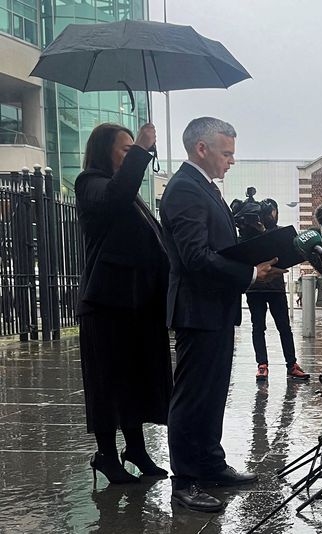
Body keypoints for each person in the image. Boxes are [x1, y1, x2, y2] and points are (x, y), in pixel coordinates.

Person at [160, 117, 286, 512]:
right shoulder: (184, 188)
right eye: (227, 152)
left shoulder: (205, 188)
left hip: (216, 308)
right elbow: (195, 257)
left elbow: (218, 246)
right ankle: (184, 482)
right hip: (197, 310)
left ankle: (211, 464)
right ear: (202, 149)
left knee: (214, 393)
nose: (232, 160)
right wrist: (251, 272)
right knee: (192, 397)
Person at [75, 123, 173, 485]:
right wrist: (144, 150)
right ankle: (105, 454)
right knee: (108, 381)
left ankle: (136, 448)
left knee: (134, 379)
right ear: (105, 151)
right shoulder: (90, 184)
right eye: (125, 149)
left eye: (134, 148)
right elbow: (114, 197)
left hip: (136, 304)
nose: (131, 154)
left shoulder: (129, 192)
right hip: (106, 304)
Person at [237, 198, 310, 381]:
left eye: (273, 211)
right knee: (258, 327)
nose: (271, 215)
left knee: (284, 327)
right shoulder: (247, 233)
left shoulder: (278, 233)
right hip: (255, 288)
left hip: (275, 287)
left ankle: (291, 364)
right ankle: (262, 365)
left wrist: (264, 231)